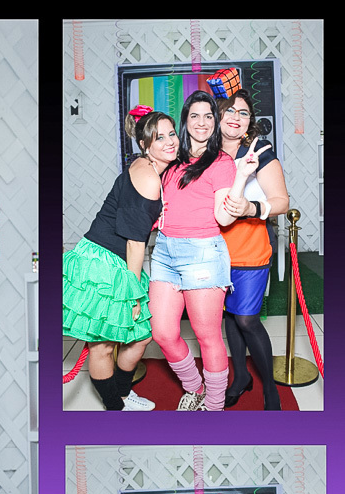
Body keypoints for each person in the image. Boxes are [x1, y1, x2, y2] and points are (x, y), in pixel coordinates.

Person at [149, 91, 265, 411]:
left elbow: (224, 217)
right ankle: (195, 388)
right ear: (185, 121)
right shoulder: (172, 159)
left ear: (215, 121)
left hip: (202, 253)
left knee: (207, 335)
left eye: (208, 116)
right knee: (162, 332)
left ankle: (214, 406)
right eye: (194, 116)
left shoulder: (221, 162)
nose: (201, 122)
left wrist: (242, 176)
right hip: (165, 252)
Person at [63, 107, 178, 411]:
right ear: (144, 144)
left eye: (171, 134)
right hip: (104, 263)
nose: (170, 141)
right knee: (102, 345)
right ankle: (115, 408)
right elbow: (135, 243)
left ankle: (124, 395)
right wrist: (133, 294)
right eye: (159, 137)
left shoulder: (146, 165)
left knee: (140, 337)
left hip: (118, 260)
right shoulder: (149, 177)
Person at [216, 88, 288, 410]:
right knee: (229, 316)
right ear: (218, 115)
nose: (236, 117)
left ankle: (270, 389)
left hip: (250, 248)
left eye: (243, 112)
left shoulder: (260, 151)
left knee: (246, 319)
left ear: (250, 122)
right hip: (215, 251)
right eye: (230, 110)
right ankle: (241, 376)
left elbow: (282, 201)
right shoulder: (206, 153)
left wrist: (250, 208)